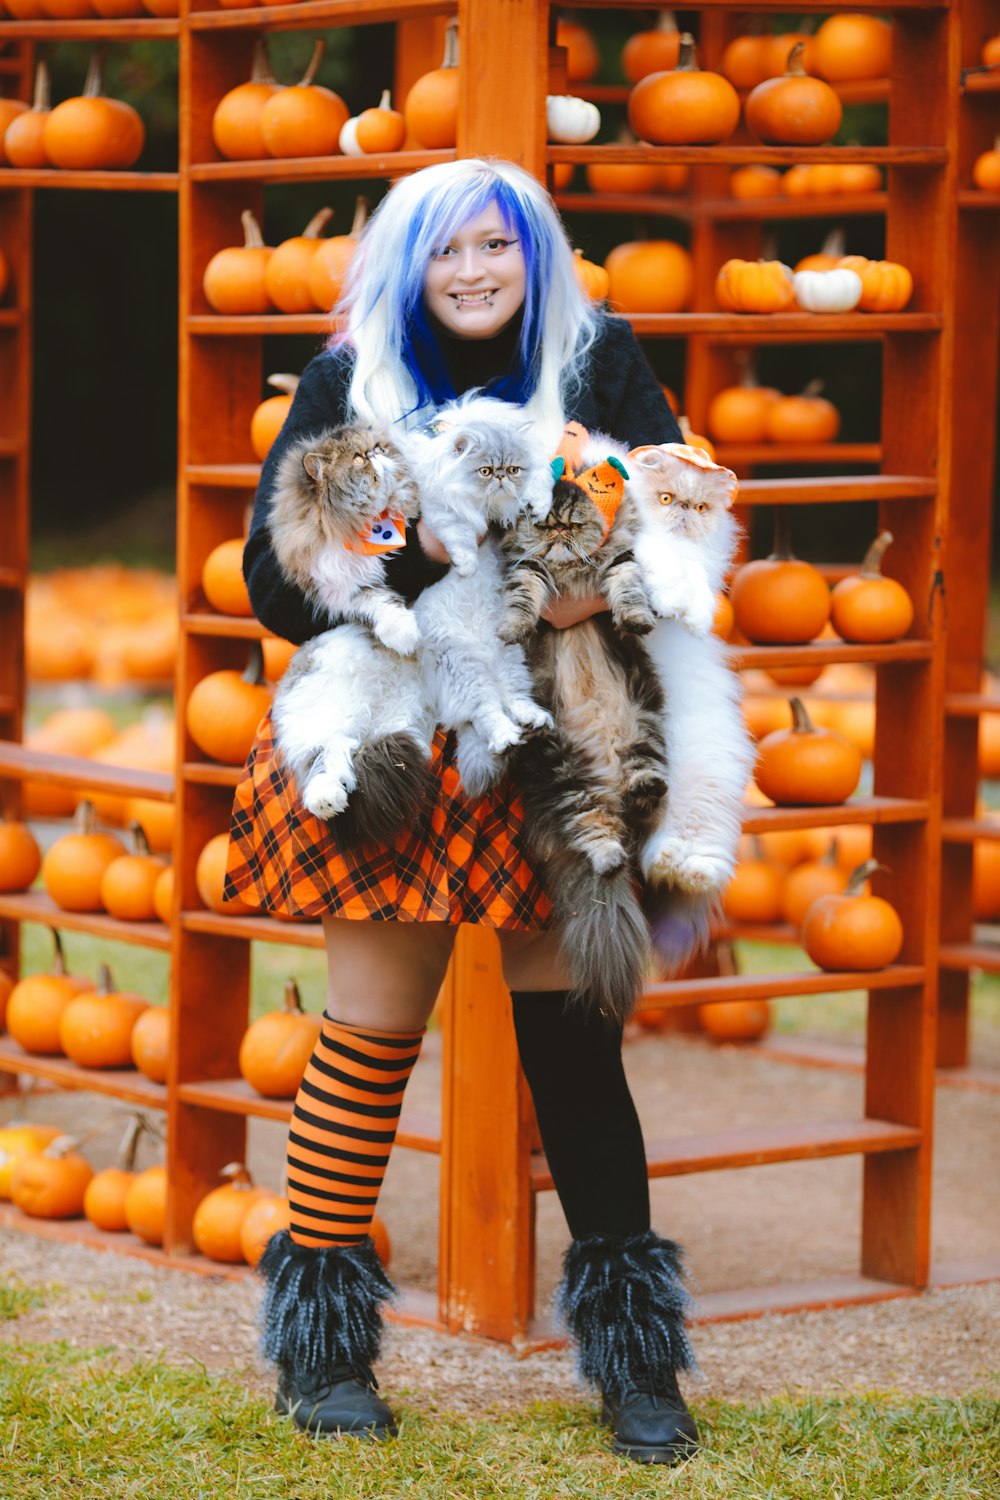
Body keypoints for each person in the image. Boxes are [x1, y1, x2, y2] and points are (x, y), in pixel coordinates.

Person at [225, 157, 699, 1466]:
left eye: (500, 244)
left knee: (575, 1054)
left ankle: (636, 1364)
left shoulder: (599, 361)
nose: (476, 269)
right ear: (408, 266)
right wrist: (415, 546)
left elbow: (667, 510)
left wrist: (592, 585)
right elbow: (279, 578)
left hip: (546, 735)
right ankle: (321, 1356)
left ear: (535, 255)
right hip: (397, 735)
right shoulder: (347, 382)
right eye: (448, 251)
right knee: (367, 1042)